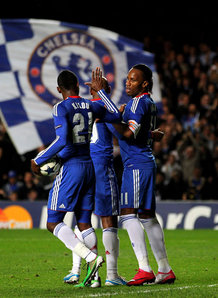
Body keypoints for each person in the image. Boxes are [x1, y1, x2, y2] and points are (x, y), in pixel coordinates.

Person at [31, 68, 122, 287]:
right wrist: (101, 93)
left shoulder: (60, 107)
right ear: (79, 86)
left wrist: (39, 159)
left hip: (71, 169)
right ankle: (96, 278)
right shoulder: (92, 105)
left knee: (53, 223)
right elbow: (117, 115)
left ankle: (91, 259)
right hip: (89, 166)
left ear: (58, 89)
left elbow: (62, 140)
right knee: (84, 223)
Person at [93, 64, 176, 285]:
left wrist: (105, 102)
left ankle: (145, 269)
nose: (127, 82)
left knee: (128, 214)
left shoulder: (139, 102)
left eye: (133, 79)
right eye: (127, 79)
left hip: (136, 166)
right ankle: (165, 269)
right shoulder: (143, 102)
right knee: (147, 217)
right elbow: (136, 131)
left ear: (144, 83)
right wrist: (148, 132)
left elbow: (128, 134)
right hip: (143, 163)